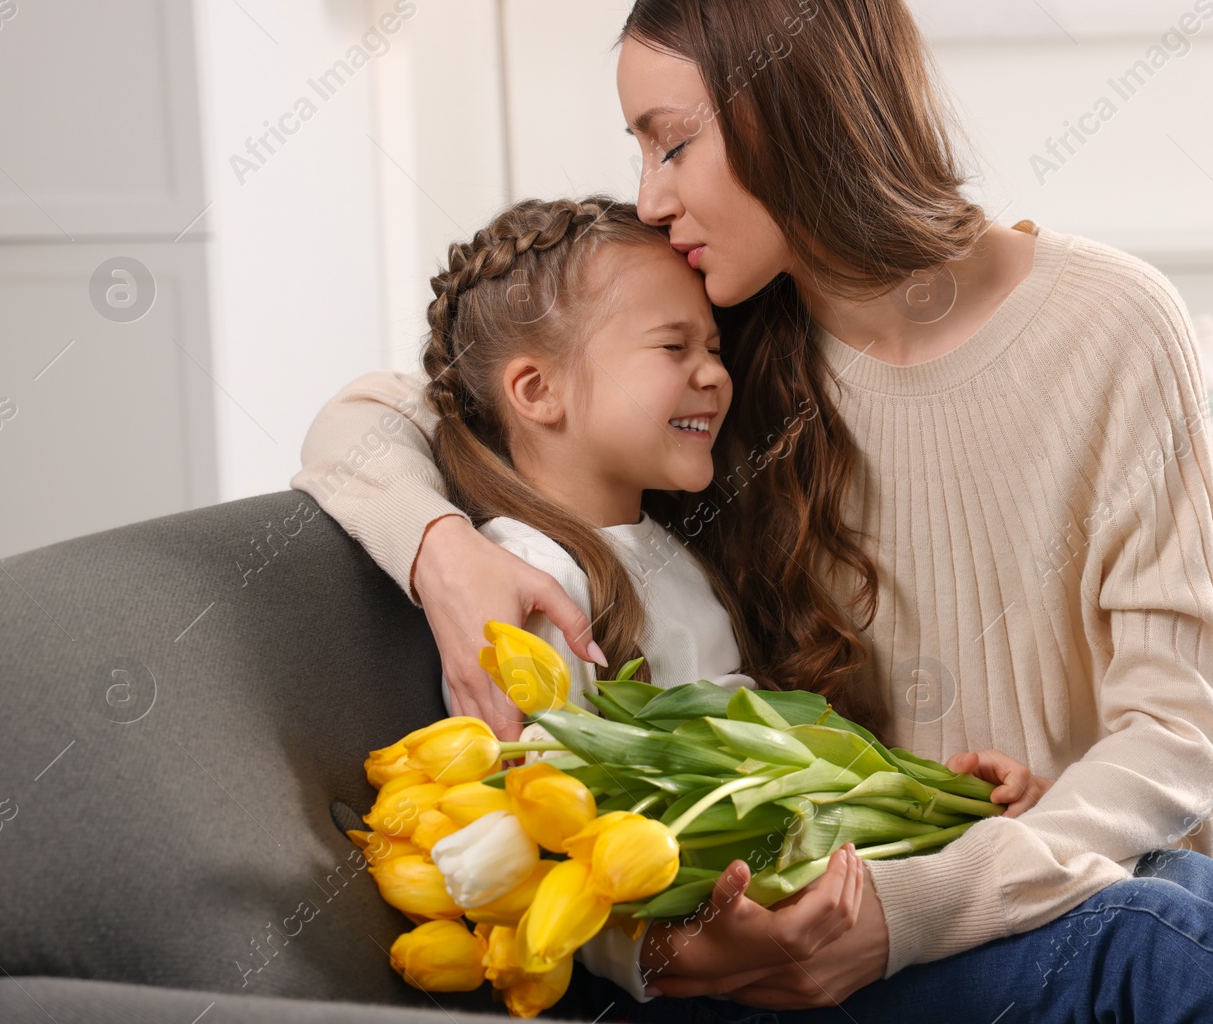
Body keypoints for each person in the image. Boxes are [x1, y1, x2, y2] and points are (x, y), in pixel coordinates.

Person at [294, 0, 1213, 1020]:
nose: (654, 194)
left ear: (792, 113)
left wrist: (937, 895)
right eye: (641, 150)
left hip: (1197, 825)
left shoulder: (1108, 320)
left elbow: (1183, 725)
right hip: (933, 882)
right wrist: (442, 550)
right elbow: (383, 410)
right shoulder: (721, 356)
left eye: (673, 140)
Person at [400, 192, 1056, 1007]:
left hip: (825, 901)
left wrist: (944, 798)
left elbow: (764, 754)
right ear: (536, 391)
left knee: (1164, 909)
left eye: (712, 345)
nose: (715, 373)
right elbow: (545, 842)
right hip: (747, 969)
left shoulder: (664, 542)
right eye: (674, 346)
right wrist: (674, 950)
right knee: (1131, 936)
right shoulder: (534, 584)